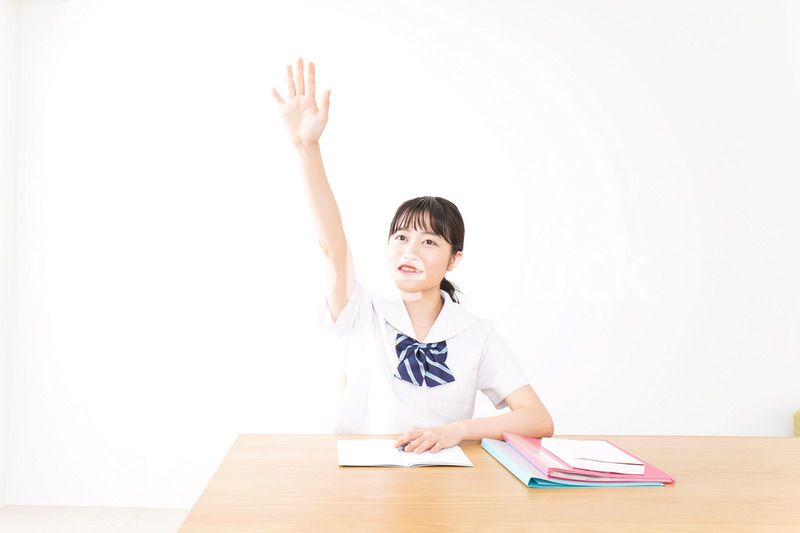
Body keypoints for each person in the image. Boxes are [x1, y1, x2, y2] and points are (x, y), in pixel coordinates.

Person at [271, 57, 554, 454]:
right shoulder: (361, 311)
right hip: (360, 478)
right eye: (400, 237)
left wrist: (459, 430)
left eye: (429, 242)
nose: (410, 250)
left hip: (443, 482)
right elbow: (331, 246)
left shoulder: (474, 334)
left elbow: (538, 420)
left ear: (454, 259)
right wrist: (307, 147)